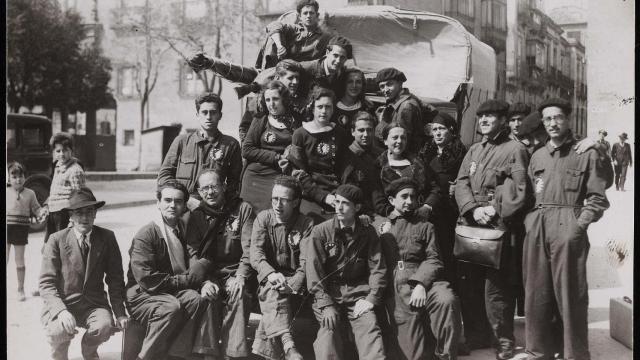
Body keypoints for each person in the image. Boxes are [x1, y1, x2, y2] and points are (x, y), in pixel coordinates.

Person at [523, 98, 610, 360]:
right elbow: (528, 194)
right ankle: (539, 353)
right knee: (536, 296)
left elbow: (598, 198)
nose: (553, 123)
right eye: (548, 119)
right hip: (538, 225)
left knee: (571, 295)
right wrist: (530, 222)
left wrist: (578, 226)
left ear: (568, 119)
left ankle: (575, 354)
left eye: (558, 117)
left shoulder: (586, 152)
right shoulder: (537, 154)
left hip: (568, 224)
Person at [454, 99, 529, 359]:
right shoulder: (474, 150)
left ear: (503, 121)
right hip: (473, 226)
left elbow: (520, 191)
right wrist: (472, 208)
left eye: (490, 116)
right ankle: (477, 336)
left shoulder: (515, 149)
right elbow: (462, 182)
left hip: (498, 229)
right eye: (481, 116)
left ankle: (504, 342)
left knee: (496, 289)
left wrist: (494, 209)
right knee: (470, 285)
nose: (483, 120)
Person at [126, 180, 212, 360]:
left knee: (196, 300)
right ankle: (145, 357)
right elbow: (147, 279)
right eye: (167, 200)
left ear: (184, 206)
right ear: (158, 203)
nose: (172, 205)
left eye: (178, 201)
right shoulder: (147, 234)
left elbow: (194, 261)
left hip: (167, 290)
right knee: (170, 307)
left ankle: (176, 355)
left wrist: (203, 280)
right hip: (142, 294)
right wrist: (189, 280)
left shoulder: (181, 229)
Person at [39, 187, 128, 360]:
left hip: (93, 304)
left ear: (95, 214)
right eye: (79, 213)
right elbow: (46, 283)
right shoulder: (56, 240)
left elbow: (115, 279)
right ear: (71, 216)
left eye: (89, 212)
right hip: (64, 303)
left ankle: (89, 350)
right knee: (57, 331)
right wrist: (61, 311)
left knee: (104, 326)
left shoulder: (107, 237)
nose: (85, 218)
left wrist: (119, 312)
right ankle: (60, 353)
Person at [379, 178, 461, 360]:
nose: (409, 201)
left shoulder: (426, 226)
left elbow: (434, 259)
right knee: (411, 353)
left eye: (413, 197)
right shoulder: (381, 226)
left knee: (446, 300)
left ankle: (445, 356)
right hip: (398, 282)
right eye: (404, 196)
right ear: (392, 200)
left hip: (428, 278)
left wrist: (421, 284)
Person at [306, 184, 387, 360]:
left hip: (358, 293)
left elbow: (377, 267)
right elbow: (314, 273)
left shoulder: (367, 231)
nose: (339, 207)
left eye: (346, 203)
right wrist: (325, 304)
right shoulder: (321, 231)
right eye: (337, 202)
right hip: (329, 295)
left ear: (357, 208)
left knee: (369, 330)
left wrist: (371, 298)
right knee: (328, 337)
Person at [186, 170, 256, 359]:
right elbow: (193, 253)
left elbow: (250, 248)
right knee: (207, 297)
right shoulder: (196, 216)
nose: (210, 192)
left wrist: (240, 276)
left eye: (214, 186)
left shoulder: (242, 209)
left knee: (239, 295)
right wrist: (204, 282)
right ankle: (208, 354)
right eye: (205, 189)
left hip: (236, 273)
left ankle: (232, 354)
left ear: (223, 186)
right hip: (211, 275)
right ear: (199, 192)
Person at [250, 175, 314, 360]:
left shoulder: (305, 224)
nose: (277, 204)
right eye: (274, 199)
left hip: (296, 284)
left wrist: (292, 284)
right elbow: (256, 254)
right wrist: (270, 274)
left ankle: (275, 352)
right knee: (272, 289)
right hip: (268, 280)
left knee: (274, 296)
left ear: (295, 202)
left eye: (284, 200)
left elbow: (306, 262)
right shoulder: (264, 218)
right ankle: (288, 345)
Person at [158, 92, 242, 210]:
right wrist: (186, 199)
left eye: (213, 112)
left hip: (215, 209)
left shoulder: (230, 144)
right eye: (204, 112)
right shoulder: (182, 141)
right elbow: (164, 176)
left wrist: (222, 204)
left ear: (220, 115)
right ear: (197, 115)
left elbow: (235, 182)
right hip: (183, 207)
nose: (208, 117)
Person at [288, 87, 350, 222]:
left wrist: (342, 193)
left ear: (333, 109)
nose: (323, 111)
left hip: (338, 193)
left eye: (328, 107)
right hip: (310, 194)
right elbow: (298, 172)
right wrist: (323, 196)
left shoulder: (340, 133)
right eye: (320, 106)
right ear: (312, 108)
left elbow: (346, 168)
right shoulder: (300, 134)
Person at [418, 112, 468, 284]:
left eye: (442, 129)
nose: (437, 133)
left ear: (452, 131)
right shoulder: (426, 153)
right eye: (435, 129)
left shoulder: (461, 154)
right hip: (430, 210)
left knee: (448, 253)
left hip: (450, 212)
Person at [241, 80, 302, 212]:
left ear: (284, 99)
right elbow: (247, 150)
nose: (271, 104)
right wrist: (276, 157)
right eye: (267, 100)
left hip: (283, 175)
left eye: (275, 99)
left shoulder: (296, 121)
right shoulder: (260, 119)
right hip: (256, 176)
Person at [377, 125, 441, 219]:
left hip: (421, 217)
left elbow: (435, 187)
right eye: (395, 137)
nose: (399, 141)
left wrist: (427, 206)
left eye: (403, 138)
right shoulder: (378, 166)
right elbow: (378, 201)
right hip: (392, 219)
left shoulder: (418, 162)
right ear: (385, 141)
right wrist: (394, 214)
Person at [239, 60, 307, 142]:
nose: (295, 82)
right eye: (290, 78)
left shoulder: (300, 103)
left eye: (297, 78)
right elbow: (245, 128)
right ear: (278, 78)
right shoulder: (259, 100)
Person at [6, 162, 47, 301]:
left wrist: (42, 212)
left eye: (21, 176)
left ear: (25, 177)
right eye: (14, 176)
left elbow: (36, 209)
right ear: (8, 178)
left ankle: (20, 289)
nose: (18, 179)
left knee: (19, 260)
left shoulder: (30, 193)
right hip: (7, 228)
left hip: (21, 229)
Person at [336, 111, 387, 217]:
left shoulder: (382, 154)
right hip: (361, 213)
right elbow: (349, 192)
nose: (366, 134)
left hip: (384, 208)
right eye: (361, 130)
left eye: (369, 130)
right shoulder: (347, 157)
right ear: (352, 132)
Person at [260, 0, 331, 68]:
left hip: (308, 71)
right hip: (286, 70)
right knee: (273, 37)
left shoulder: (324, 37)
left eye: (311, 13)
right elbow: (273, 25)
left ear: (317, 15)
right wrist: (279, 46)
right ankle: (267, 70)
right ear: (299, 16)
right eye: (305, 13)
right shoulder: (293, 29)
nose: (308, 16)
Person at [43, 132, 86, 243]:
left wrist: (73, 219)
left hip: (64, 214)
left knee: (64, 246)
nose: (62, 154)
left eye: (65, 150)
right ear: (53, 152)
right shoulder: (57, 165)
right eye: (58, 151)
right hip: (53, 212)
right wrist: (47, 206)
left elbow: (80, 196)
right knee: (50, 246)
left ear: (71, 150)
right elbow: (55, 190)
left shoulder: (75, 170)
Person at [374, 67, 428, 155]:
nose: (385, 90)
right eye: (382, 86)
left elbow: (400, 143)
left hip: (403, 157)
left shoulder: (405, 107)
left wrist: (381, 121)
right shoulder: (401, 100)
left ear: (400, 83)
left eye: (389, 84)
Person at [334, 68, 376, 138]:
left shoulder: (368, 107)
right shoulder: (333, 106)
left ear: (363, 85)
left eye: (358, 82)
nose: (354, 86)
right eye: (350, 81)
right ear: (344, 84)